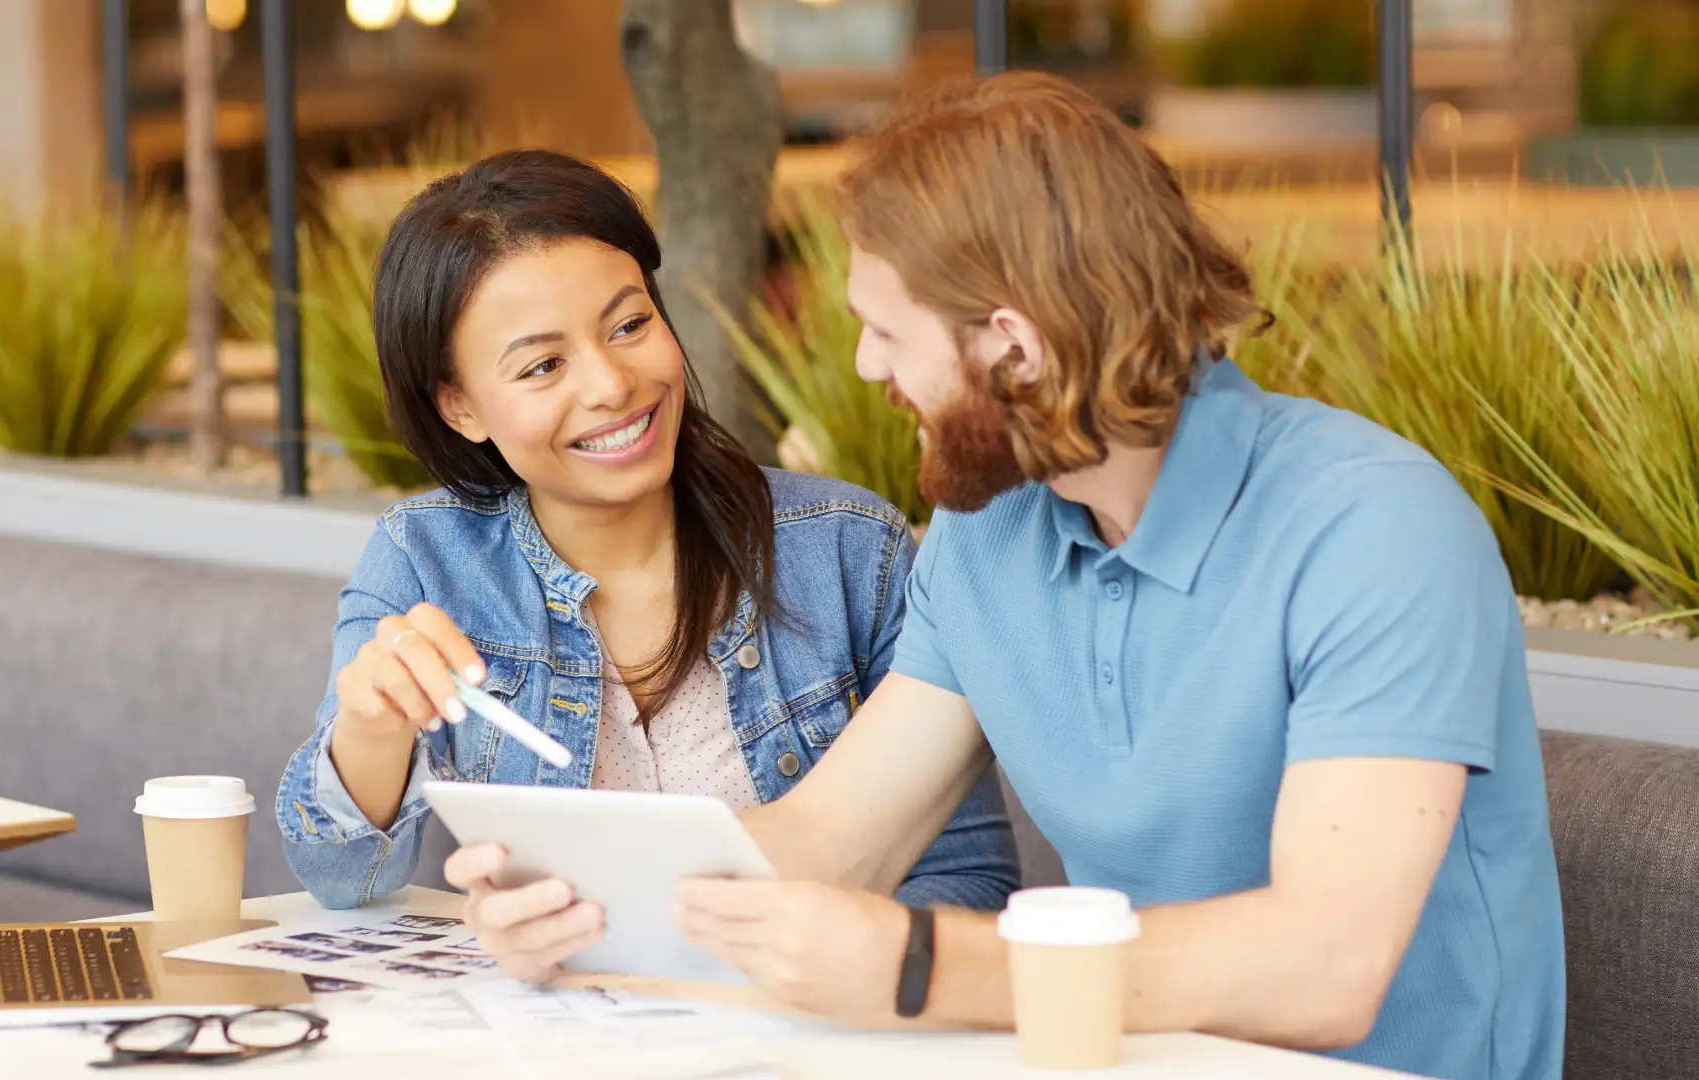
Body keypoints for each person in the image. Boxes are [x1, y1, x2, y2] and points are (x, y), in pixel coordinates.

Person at [450, 77, 1566, 1080]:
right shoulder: (989, 535)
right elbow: (837, 839)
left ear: (1015, 349)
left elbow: (1326, 965)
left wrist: (928, 964)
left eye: (886, 332)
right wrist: (584, 901)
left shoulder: (1373, 528)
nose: (863, 368)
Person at [277, 149, 1020, 918]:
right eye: (542, 367)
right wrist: (370, 730)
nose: (611, 385)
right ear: (459, 406)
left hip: (805, 1014)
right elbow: (340, 878)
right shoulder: (426, 562)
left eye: (630, 324)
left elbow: (968, 883)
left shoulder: (847, 549)